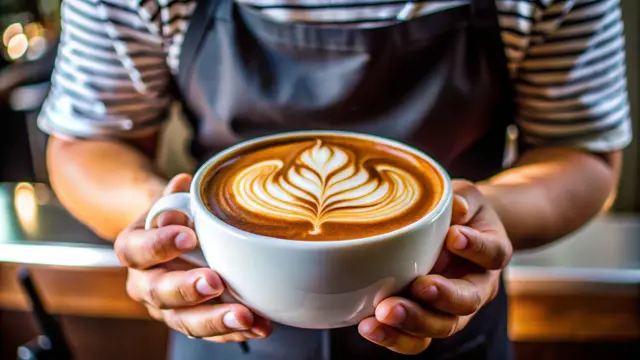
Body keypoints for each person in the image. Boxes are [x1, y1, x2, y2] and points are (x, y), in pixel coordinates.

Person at [39, 0, 631, 359]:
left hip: (453, 316)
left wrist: (485, 218)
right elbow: (89, 140)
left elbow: (581, 152)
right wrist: (165, 225)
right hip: (224, 323)